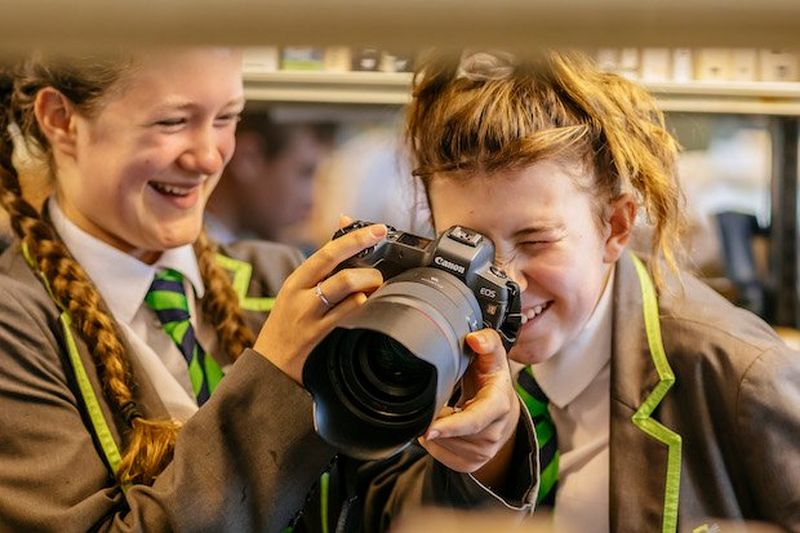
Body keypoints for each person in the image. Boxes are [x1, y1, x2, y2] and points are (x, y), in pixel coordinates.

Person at [0, 48, 537, 531]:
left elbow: (385, 507)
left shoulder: (278, 276)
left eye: (227, 119)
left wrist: (485, 453)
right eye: (171, 122)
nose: (209, 157)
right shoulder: (16, 324)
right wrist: (273, 375)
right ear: (60, 120)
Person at [405, 50, 800, 532]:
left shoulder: (741, 375)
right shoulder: (427, 350)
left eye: (535, 241)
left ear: (614, 226)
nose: (504, 284)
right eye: (470, 247)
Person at [205, 112, 331, 246]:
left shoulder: (236, 249)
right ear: (249, 158)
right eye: (304, 174)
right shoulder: (200, 257)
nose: (310, 202)